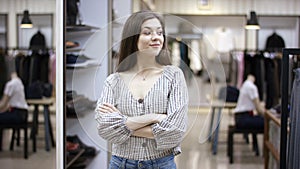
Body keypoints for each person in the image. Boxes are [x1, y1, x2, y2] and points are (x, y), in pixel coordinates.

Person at [95, 11, 188, 169]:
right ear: (132, 38)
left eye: (159, 33)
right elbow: (105, 129)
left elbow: (175, 132)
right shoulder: (113, 81)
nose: (156, 37)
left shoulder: (174, 76)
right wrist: (154, 117)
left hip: (162, 164)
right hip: (120, 164)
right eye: (147, 32)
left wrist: (122, 123)